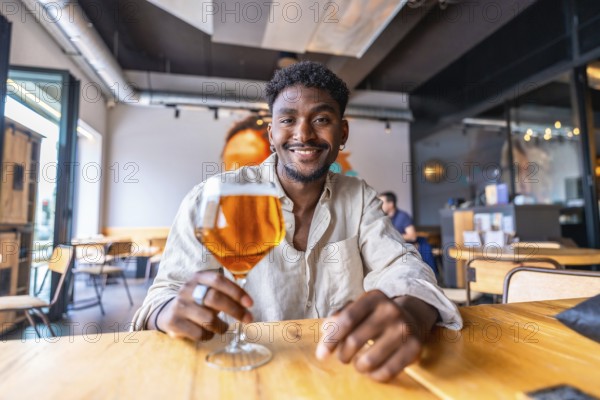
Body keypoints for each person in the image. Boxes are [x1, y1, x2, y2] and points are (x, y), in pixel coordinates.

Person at [132, 61, 462, 382]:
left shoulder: (358, 197)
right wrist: (169, 312)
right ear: (272, 131)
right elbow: (161, 298)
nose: (303, 134)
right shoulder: (214, 198)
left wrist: (413, 315)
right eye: (288, 119)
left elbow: (405, 267)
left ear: (342, 132)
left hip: (341, 374)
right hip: (239, 376)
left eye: (321, 118)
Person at [378, 191, 438, 275]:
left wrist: (393, 236)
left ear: (391, 204)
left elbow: (412, 236)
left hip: (405, 249)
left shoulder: (403, 216)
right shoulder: (383, 218)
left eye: (381, 202)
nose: (379, 205)